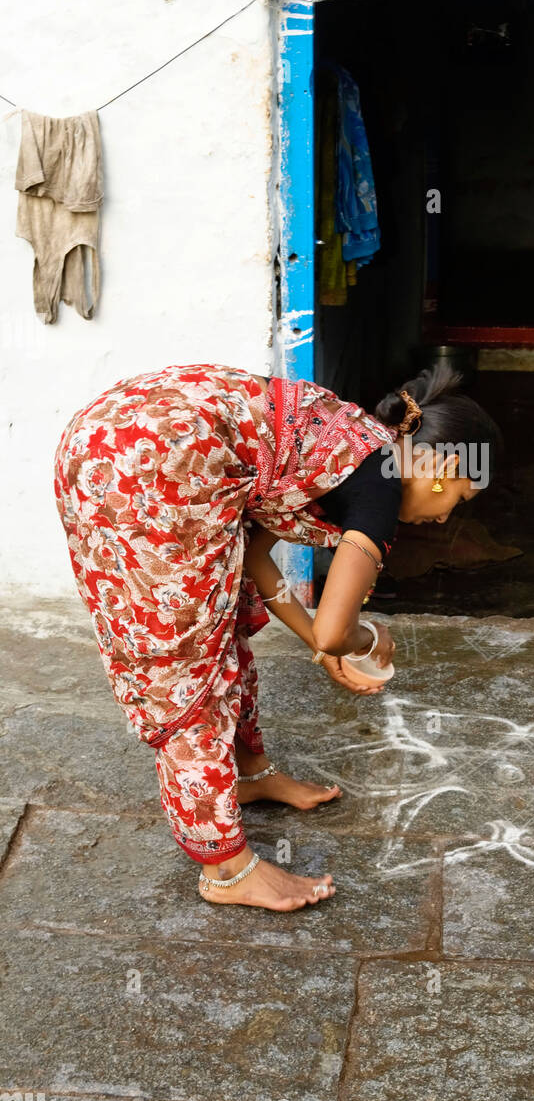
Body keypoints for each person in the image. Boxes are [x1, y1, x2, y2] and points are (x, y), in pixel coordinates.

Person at [53, 362, 500, 912]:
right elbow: (342, 628)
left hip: (112, 436)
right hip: (149, 465)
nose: (444, 519)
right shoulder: (381, 490)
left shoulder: (352, 447)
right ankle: (226, 868)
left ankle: (247, 773)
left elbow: (256, 556)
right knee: (188, 664)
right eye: (459, 498)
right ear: (443, 467)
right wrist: (363, 636)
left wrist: (320, 640)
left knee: (222, 618)